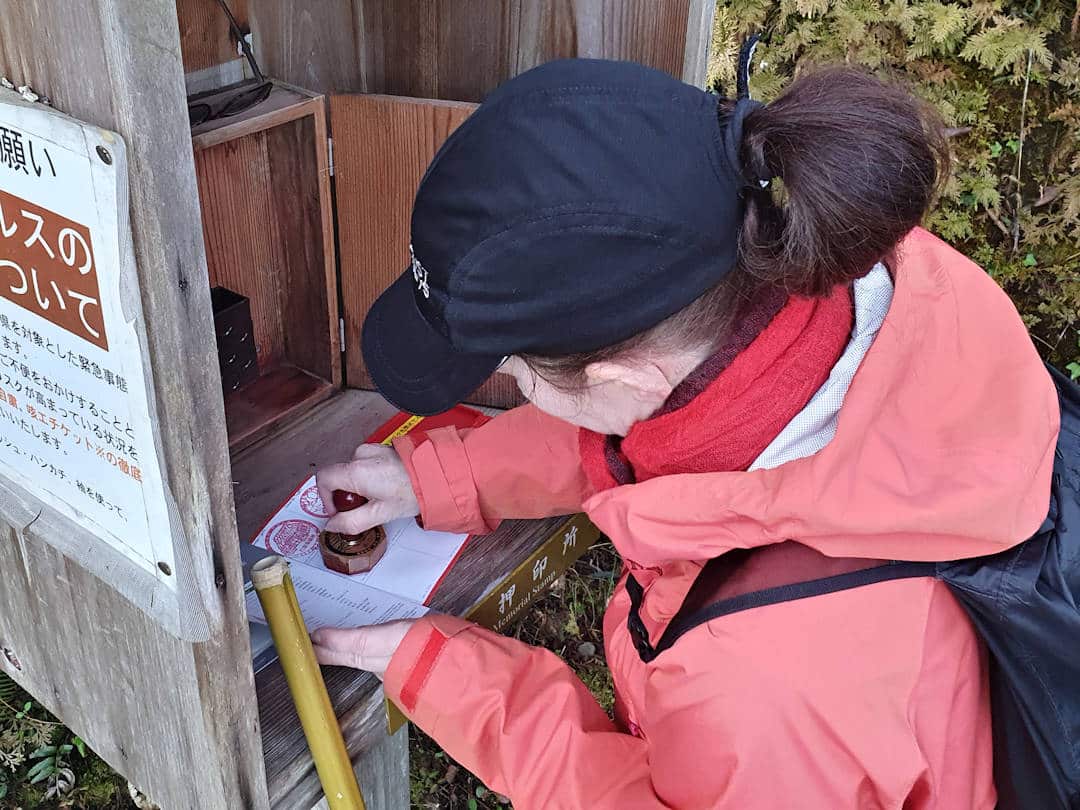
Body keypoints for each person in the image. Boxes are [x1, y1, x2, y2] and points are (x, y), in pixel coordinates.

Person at [312, 55, 1059, 809]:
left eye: (511, 368)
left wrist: (449, 675)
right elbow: (632, 435)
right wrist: (440, 476)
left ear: (620, 380)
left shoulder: (760, 691)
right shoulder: (837, 285)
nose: (516, 388)